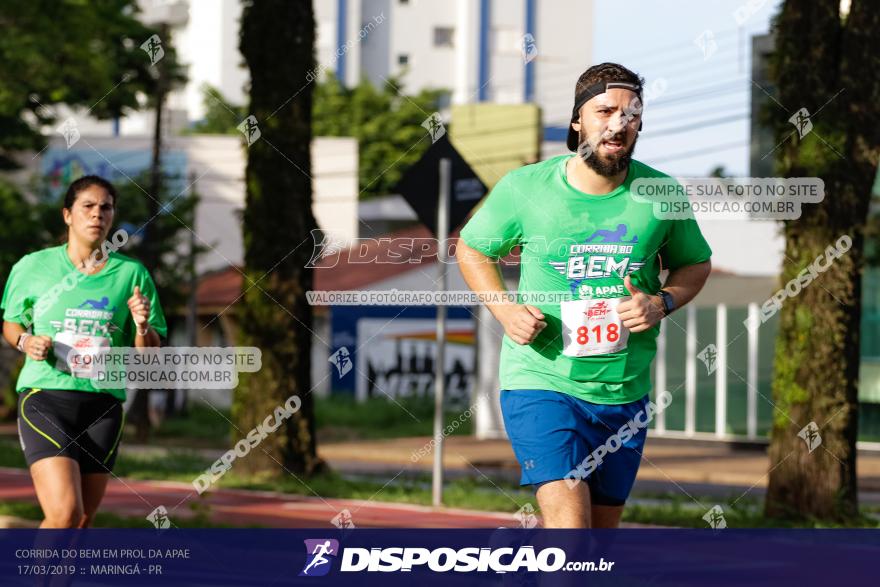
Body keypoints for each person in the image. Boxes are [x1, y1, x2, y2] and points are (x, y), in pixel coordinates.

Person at [456, 63, 712, 528]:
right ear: (578, 120)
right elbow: (472, 248)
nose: (619, 122)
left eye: (631, 113)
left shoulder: (661, 194)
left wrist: (663, 302)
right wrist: (505, 309)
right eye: (605, 111)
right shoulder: (526, 188)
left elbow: (695, 264)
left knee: (598, 540)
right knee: (571, 527)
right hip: (541, 381)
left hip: (624, 392)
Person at [1, 175, 166, 528]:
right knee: (64, 514)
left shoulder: (132, 275)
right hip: (46, 397)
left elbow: (149, 355)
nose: (97, 215)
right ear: (67, 215)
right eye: (87, 206)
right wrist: (25, 342)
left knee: (81, 523)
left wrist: (140, 326)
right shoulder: (34, 267)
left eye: (105, 207)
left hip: (103, 406)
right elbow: (11, 323)